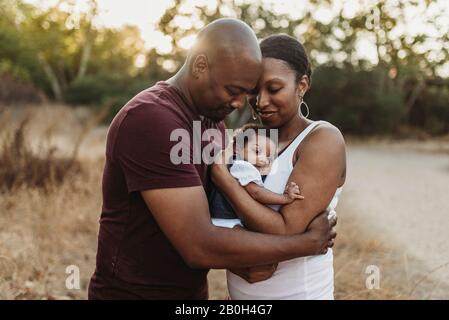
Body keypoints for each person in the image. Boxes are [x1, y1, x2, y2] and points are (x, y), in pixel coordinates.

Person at [88, 19, 336, 300]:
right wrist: (307, 243)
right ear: (200, 66)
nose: (240, 104)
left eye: (245, 93)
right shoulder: (151, 118)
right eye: (233, 91)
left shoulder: (212, 123)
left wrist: (237, 260)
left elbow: (218, 215)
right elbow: (199, 245)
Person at [210, 34, 346, 299]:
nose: (261, 102)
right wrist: (236, 264)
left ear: (302, 85)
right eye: (254, 90)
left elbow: (285, 231)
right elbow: (215, 216)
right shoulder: (249, 139)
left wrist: (224, 180)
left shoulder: (322, 139)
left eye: (273, 89)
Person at [208, 123, 303, 228]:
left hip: (224, 220)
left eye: (269, 157)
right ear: (237, 148)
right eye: (257, 151)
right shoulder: (243, 166)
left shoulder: (243, 166)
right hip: (225, 222)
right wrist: (284, 198)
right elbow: (256, 192)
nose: (263, 159)